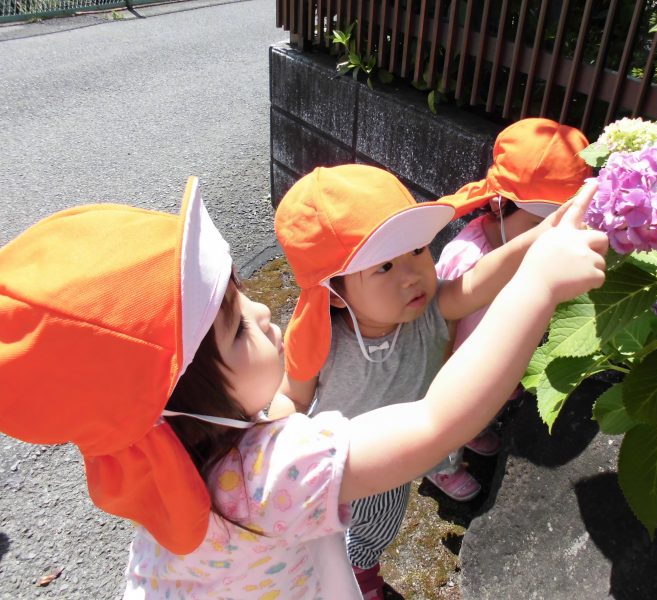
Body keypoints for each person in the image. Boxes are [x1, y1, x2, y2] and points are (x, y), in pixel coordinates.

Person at [0, 176, 605, 599]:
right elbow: (435, 423)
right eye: (237, 327)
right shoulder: (270, 473)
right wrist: (540, 287)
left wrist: (540, 237)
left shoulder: (166, 452)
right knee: (365, 535)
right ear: (180, 401)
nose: (267, 311)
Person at [268, 160, 589, 598]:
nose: (413, 275)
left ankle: (360, 567)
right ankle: (343, 575)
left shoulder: (432, 308)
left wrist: (545, 232)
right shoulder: (324, 341)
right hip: (333, 462)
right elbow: (292, 396)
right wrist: (269, 449)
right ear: (335, 294)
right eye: (384, 267)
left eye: (417, 251)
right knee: (320, 538)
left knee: (378, 526)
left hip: (398, 460)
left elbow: (479, 280)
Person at [426, 118, 592, 498]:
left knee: (484, 407)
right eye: (537, 224)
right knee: (450, 416)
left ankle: (474, 430)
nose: (546, 238)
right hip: (456, 366)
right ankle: (441, 463)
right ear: (500, 205)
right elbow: (441, 325)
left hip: (499, 363)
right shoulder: (466, 258)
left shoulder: (532, 256)